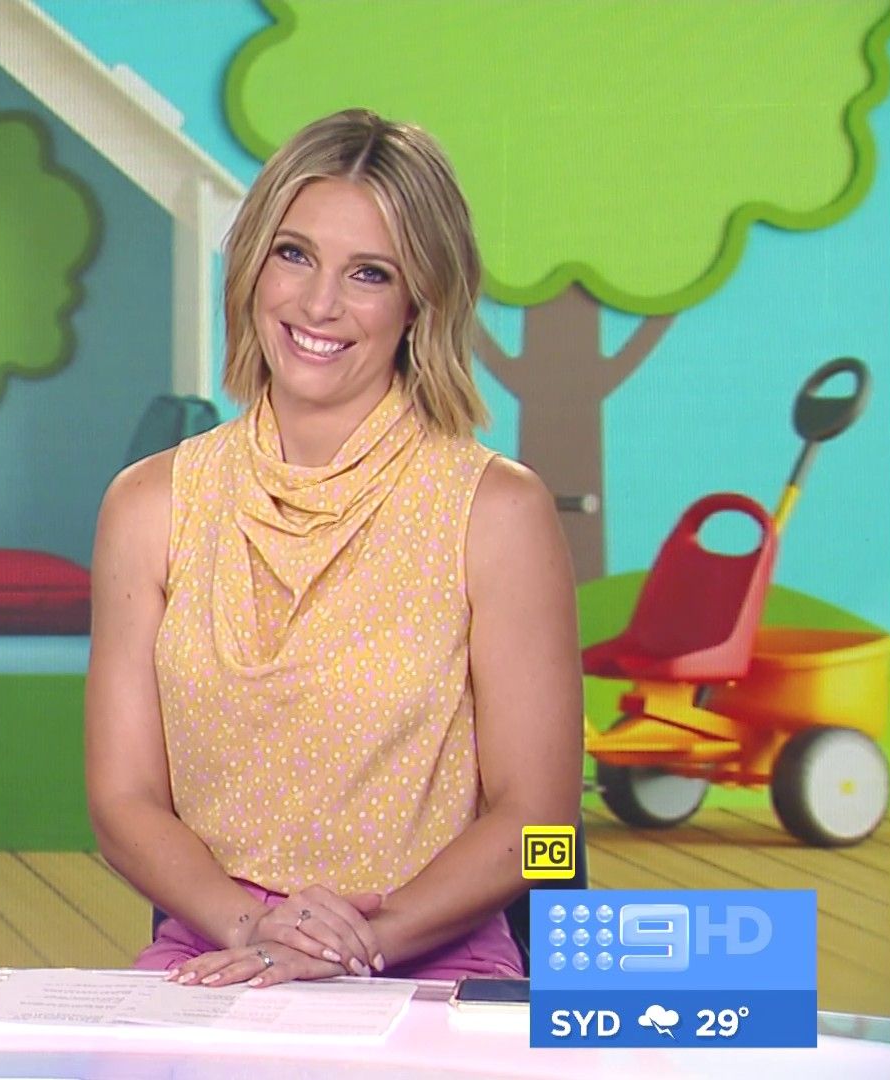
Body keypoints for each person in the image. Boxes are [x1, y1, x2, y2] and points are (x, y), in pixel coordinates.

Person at [84, 108, 582, 988]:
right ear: (252, 266)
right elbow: (121, 805)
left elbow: (548, 833)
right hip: (218, 947)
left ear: (420, 301)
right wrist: (256, 929)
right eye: (295, 254)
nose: (319, 304)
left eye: (369, 273)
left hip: (434, 957)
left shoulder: (499, 512)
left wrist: (360, 941)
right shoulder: (148, 506)